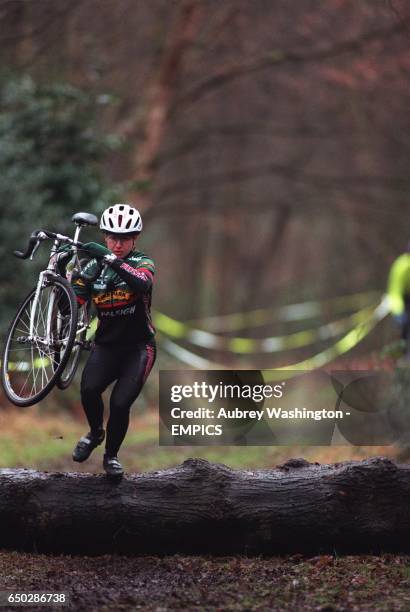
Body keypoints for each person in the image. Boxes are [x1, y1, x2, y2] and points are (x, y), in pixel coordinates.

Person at [71, 203, 156, 478]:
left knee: (120, 404)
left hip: (139, 348)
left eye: (124, 239)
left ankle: (111, 456)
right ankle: (95, 433)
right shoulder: (93, 267)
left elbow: (142, 284)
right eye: (112, 239)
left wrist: (110, 260)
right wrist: (66, 276)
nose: (117, 244)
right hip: (106, 346)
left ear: (135, 240)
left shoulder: (142, 262)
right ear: (105, 236)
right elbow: (71, 307)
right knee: (89, 390)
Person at [387, 245, 410, 346]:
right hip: (404, 300)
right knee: (406, 326)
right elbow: (395, 292)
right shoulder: (402, 266)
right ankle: (405, 353)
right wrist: (398, 312)